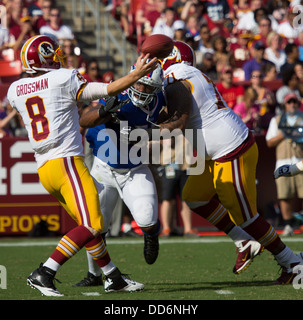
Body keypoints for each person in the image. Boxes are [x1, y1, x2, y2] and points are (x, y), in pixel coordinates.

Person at [6, 34, 158, 296]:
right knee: (94, 225)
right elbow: (108, 90)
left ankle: (113, 277)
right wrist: (136, 75)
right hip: (67, 164)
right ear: (44, 57)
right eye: (53, 54)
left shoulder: (15, 90)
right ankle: (45, 272)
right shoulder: (62, 78)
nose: (59, 57)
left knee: (88, 224)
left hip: (44, 169)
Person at [157, 40, 302, 282]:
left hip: (230, 148)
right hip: (213, 153)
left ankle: (292, 262)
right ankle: (243, 241)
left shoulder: (177, 74)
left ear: (170, 58)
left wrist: (152, 121)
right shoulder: (183, 74)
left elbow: (176, 120)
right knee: (194, 197)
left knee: (246, 216)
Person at [73, 62, 164, 286]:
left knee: (147, 219)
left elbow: (171, 117)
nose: (142, 91)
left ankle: (151, 235)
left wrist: (158, 130)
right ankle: (94, 274)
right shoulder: (118, 94)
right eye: (140, 84)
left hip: (134, 168)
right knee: (95, 226)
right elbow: (84, 120)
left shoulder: (161, 98)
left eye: (148, 87)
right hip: (104, 168)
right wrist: (105, 110)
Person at [267, 93, 303, 235]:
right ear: (285, 104)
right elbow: (269, 141)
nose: (292, 105)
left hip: (300, 161)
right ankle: (288, 224)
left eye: (294, 102)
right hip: (283, 161)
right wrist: (285, 134)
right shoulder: (276, 120)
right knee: (284, 195)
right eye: (289, 102)